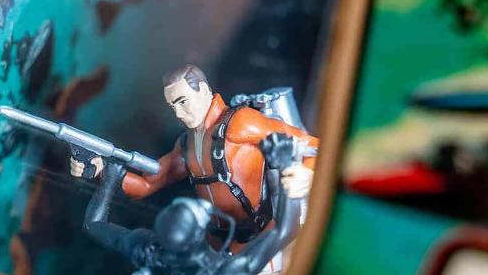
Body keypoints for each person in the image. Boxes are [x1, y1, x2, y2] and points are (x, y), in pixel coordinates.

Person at [70, 65, 318, 246]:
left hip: (264, 237)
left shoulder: (241, 123)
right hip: (218, 244)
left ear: (204, 91)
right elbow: (146, 185)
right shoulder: (186, 144)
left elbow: (312, 146)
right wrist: (101, 171)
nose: (178, 113)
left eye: (183, 102)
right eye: (173, 106)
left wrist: (307, 173)